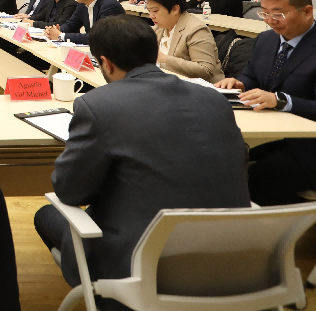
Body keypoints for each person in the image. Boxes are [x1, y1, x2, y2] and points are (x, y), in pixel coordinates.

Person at [34, 16, 250, 304]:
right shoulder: (215, 100)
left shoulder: (97, 105)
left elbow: (70, 191)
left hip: (144, 267)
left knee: (46, 216)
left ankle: (108, 300)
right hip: (233, 259)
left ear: (105, 63)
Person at [215, 0, 316, 206]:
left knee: (255, 176)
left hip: (309, 144)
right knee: (224, 160)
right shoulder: (266, 39)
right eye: (265, 13)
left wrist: (281, 101)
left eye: (278, 15)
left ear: (307, 12)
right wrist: (238, 83)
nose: (270, 21)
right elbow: (251, 75)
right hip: (275, 134)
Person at [143, 0, 223, 82]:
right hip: (166, 83)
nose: (151, 16)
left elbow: (206, 70)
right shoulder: (159, 27)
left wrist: (165, 59)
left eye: (155, 11)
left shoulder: (196, 29)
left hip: (196, 87)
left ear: (175, 9)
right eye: (149, 11)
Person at [45, 0, 125, 45]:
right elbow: (71, 25)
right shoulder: (82, 5)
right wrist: (55, 30)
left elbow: (99, 37)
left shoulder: (109, 6)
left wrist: (61, 36)